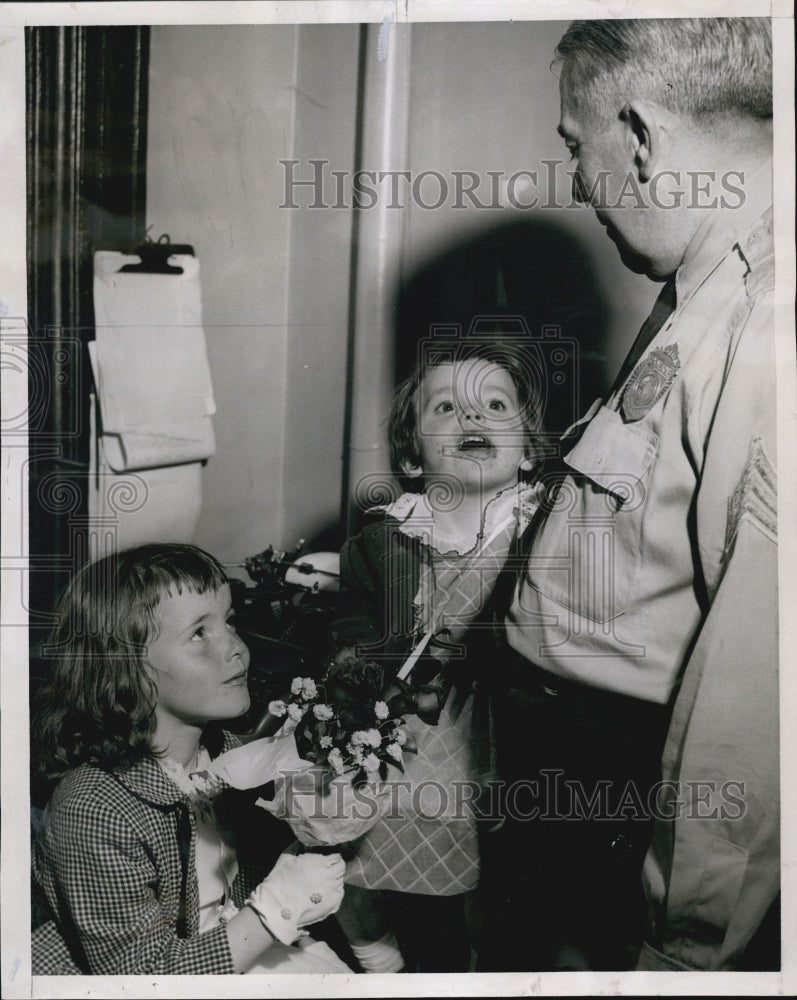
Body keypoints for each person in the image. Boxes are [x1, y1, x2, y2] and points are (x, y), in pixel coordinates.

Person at [484, 17, 778, 972]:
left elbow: (757, 688)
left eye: (577, 146)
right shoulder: (702, 285)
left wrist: (683, 946)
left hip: (628, 815)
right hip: (569, 797)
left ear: (642, 137)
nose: (576, 181)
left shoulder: (768, 323)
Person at [31, 542, 351, 975]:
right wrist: (274, 910)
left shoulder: (227, 754)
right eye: (199, 633)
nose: (237, 647)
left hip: (227, 950)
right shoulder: (92, 807)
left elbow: (255, 876)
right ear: (127, 669)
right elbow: (143, 980)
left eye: (230, 621)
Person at [329, 340, 544, 973]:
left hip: (492, 730)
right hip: (398, 729)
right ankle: (375, 953)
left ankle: (486, 967)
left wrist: (475, 655)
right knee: (342, 843)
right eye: (447, 407)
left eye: (494, 405)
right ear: (410, 457)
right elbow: (355, 631)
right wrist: (372, 671)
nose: (472, 419)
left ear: (528, 452)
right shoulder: (383, 541)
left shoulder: (540, 531)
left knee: (489, 865)